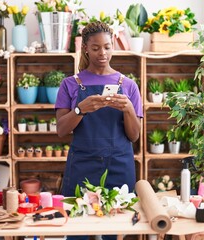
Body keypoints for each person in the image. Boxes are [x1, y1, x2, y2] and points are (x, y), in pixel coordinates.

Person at [55, 21, 143, 239]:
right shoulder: (70, 84)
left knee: (114, 229)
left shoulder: (129, 85)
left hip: (119, 166)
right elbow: (61, 130)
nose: (102, 53)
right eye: (95, 48)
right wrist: (80, 110)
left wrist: (129, 109)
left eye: (106, 47)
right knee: (78, 230)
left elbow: (134, 135)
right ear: (85, 48)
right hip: (82, 166)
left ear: (113, 45)